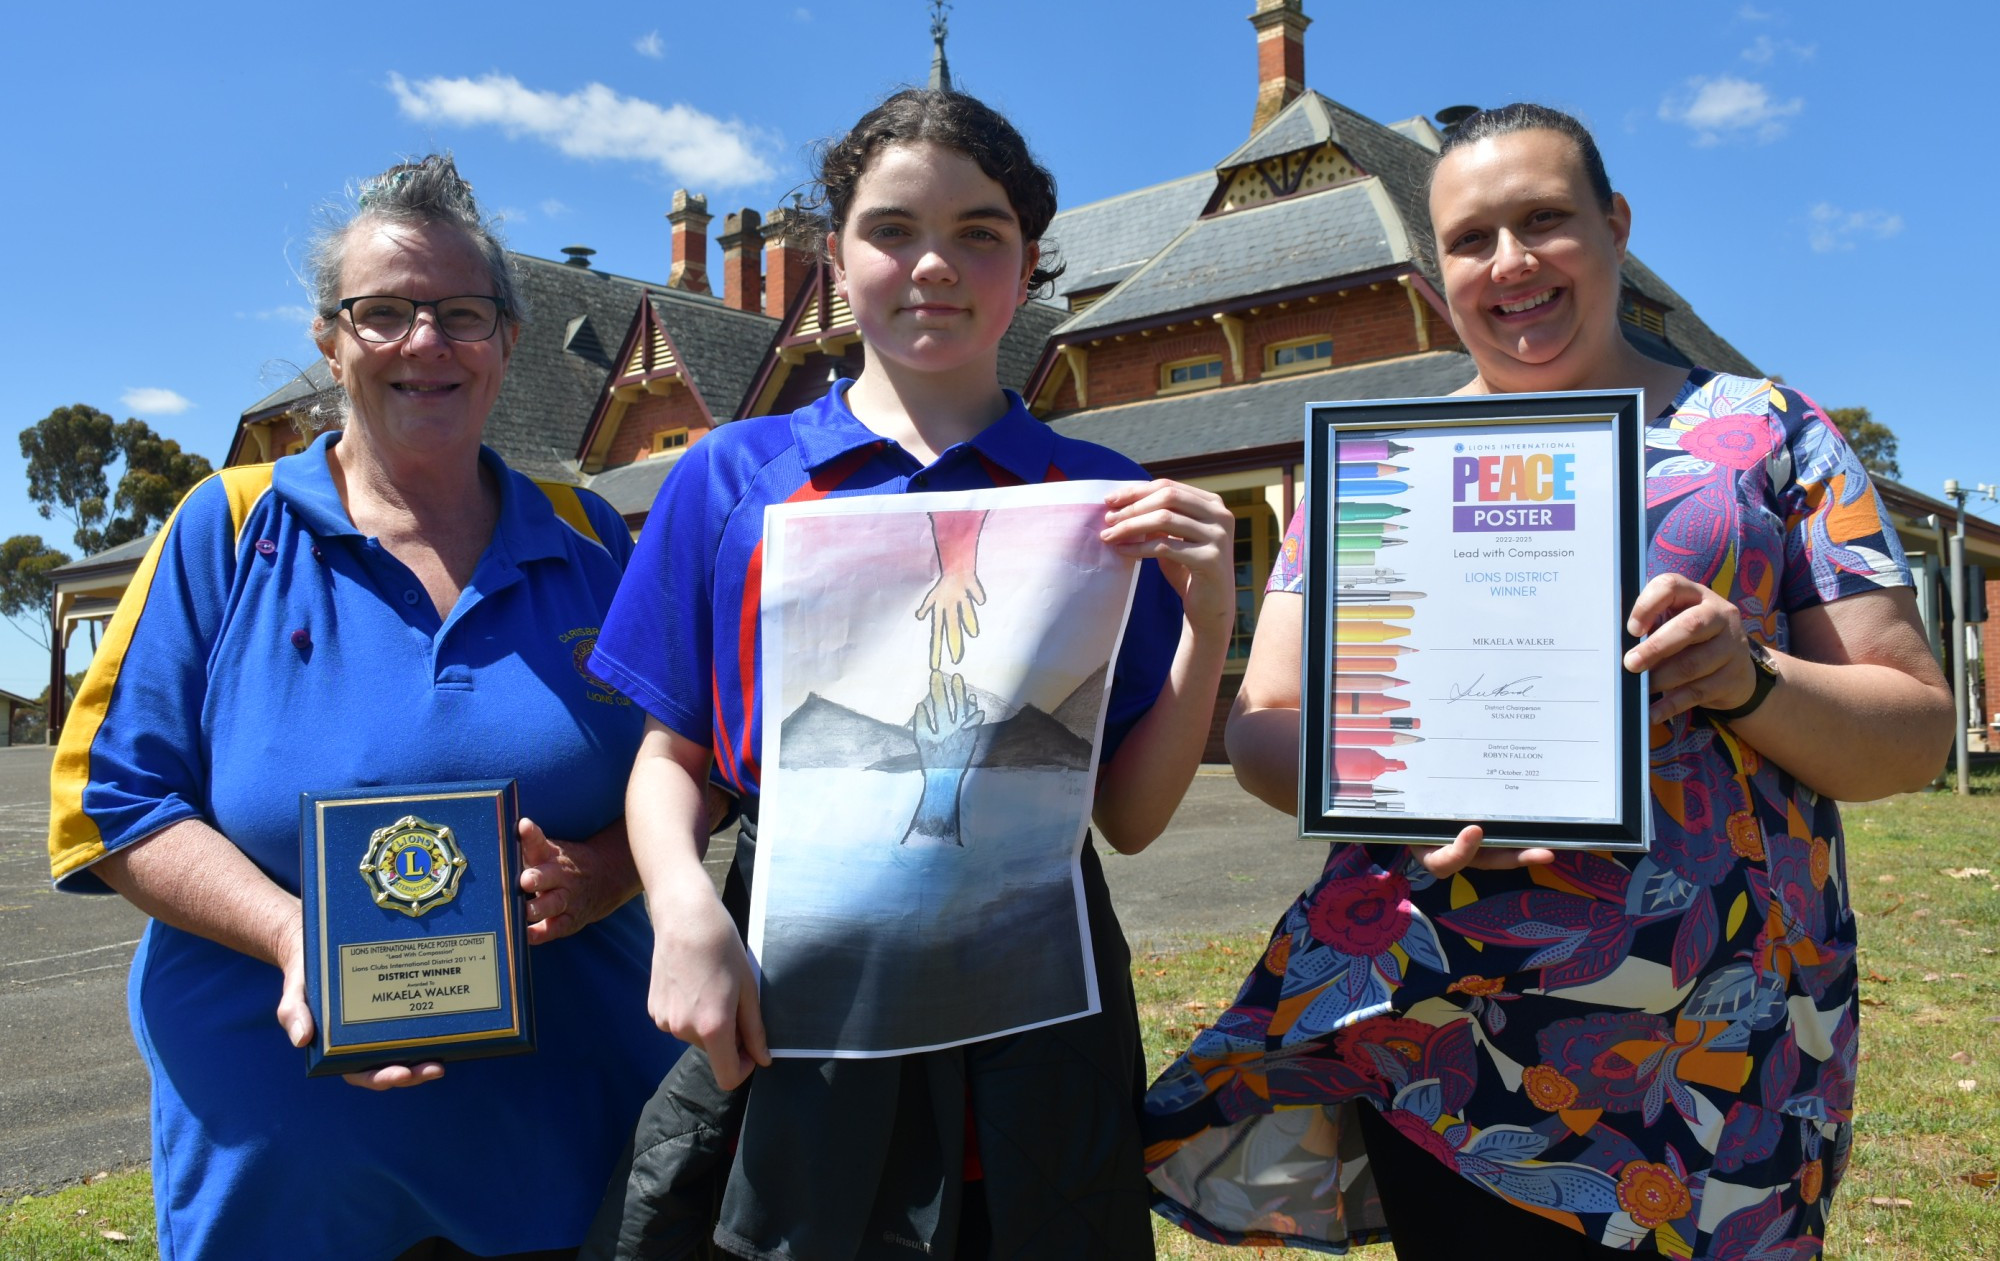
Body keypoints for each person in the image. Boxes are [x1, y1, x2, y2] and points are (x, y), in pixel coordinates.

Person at [1141, 105, 1954, 1259]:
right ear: (1435, 279)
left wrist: (1749, 674)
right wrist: (1397, 776)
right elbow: (1265, 723)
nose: (1510, 262)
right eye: (1472, 238)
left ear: (1613, 226)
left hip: (1718, 1036)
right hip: (1445, 1030)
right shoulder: (1377, 472)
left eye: (1543, 221)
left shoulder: (1762, 434)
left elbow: (1913, 730)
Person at [581, 87, 1235, 1259]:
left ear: (1027, 263)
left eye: (977, 233)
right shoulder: (730, 479)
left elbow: (1129, 821)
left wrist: (1205, 623)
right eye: (891, 229)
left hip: (1039, 1012)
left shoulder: (1096, 497)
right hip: (793, 996)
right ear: (833, 258)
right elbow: (669, 755)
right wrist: (678, 905)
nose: (933, 264)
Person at [47, 155, 681, 1261]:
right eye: (383, 312)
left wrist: (613, 868)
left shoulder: (593, 537)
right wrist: (296, 934)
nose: (424, 343)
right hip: (287, 1186)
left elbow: (689, 763)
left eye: (461, 314)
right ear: (330, 340)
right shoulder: (226, 527)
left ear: (508, 341)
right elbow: (113, 801)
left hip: (570, 1161)